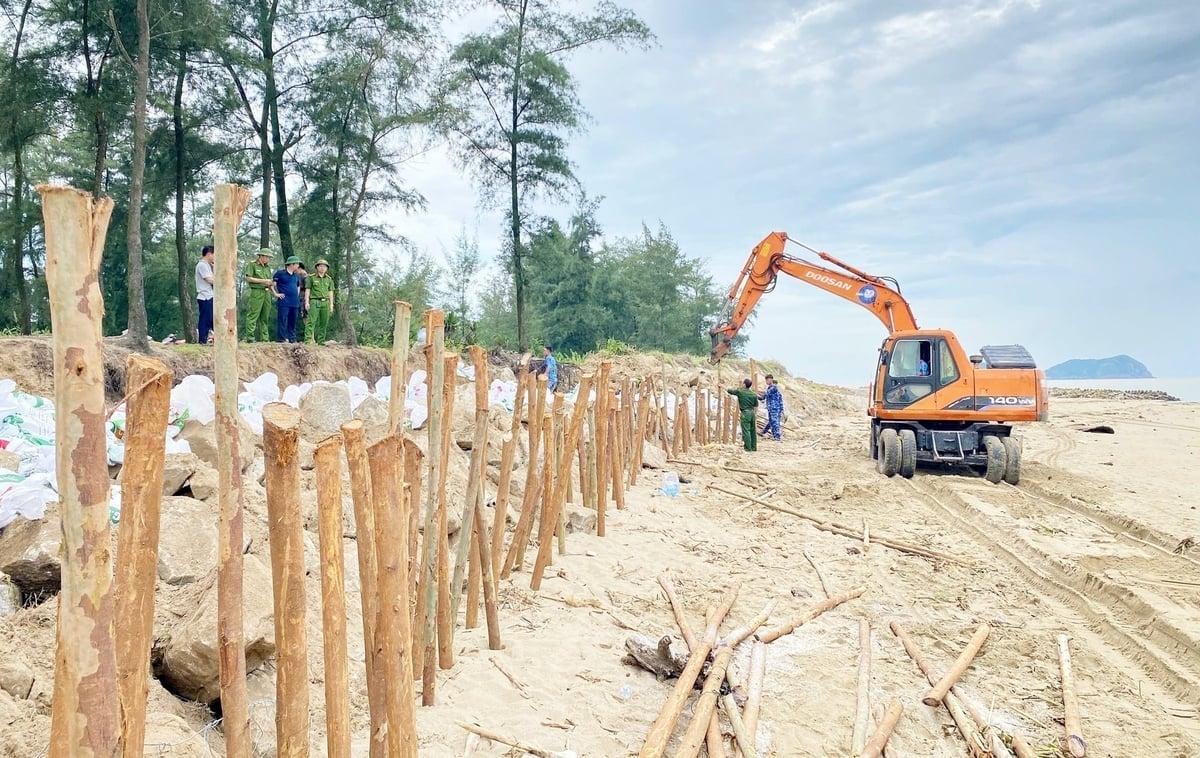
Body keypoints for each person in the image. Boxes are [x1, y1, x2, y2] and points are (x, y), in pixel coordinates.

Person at [243, 248, 276, 342]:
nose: (268, 259)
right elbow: (249, 278)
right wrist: (264, 281)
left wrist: (273, 289)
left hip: (267, 292)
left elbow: (269, 280)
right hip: (256, 291)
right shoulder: (252, 265)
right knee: (253, 314)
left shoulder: (267, 267)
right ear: (262, 256)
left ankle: (265, 338)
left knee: (265, 315)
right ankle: (250, 337)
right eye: (267, 257)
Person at [272, 255, 304, 343]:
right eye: (297, 264)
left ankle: (292, 339)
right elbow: (271, 284)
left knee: (293, 320)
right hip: (284, 301)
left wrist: (296, 296)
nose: (298, 266)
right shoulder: (280, 273)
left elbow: (298, 286)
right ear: (291, 264)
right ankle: (281, 339)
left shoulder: (296, 276)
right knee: (282, 319)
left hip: (294, 302)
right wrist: (276, 294)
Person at [305, 258, 335, 343]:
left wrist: (331, 304)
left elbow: (331, 292)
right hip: (315, 301)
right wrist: (307, 302)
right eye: (320, 266)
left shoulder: (329, 279)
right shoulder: (311, 278)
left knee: (324, 322)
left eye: (324, 267)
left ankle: (321, 341)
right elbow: (308, 290)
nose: (322, 268)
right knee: (311, 321)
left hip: (325, 301)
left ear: (327, 268)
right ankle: (307, 340)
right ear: (317, 267)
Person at [726, 378, 759, 452]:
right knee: (752, 431)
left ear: (744, 384)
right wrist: (755, 414)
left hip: (745, 413)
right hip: (752, 413)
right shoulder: (753, 394)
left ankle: (748, 448)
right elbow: (756, 406)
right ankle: (754, 447)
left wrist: (722, 386)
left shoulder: (740, 391)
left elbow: (730, 391)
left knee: (746, 431)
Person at [194, 245, 215, 344]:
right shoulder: (202, 265)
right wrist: (221, 281)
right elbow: (209, 279)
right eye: (214, 255)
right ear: (209, 254)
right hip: (205, 297)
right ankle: (202, 340)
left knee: (211, 319)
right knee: (205, 320)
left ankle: (210, 338)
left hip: (210, 296)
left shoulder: (208, 265)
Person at [759, 373, 784, 440]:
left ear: (770, 379)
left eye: (767, 380)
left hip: (775, 408)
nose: (766, 382)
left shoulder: (774, 387)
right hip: (770, 408)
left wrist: (756, 391)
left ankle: (777, 437)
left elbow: (766, 394)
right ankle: (764, 432)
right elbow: (762, 398)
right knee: (771, 421)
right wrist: (755, 395)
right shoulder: (769, 388)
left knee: (775, 422)